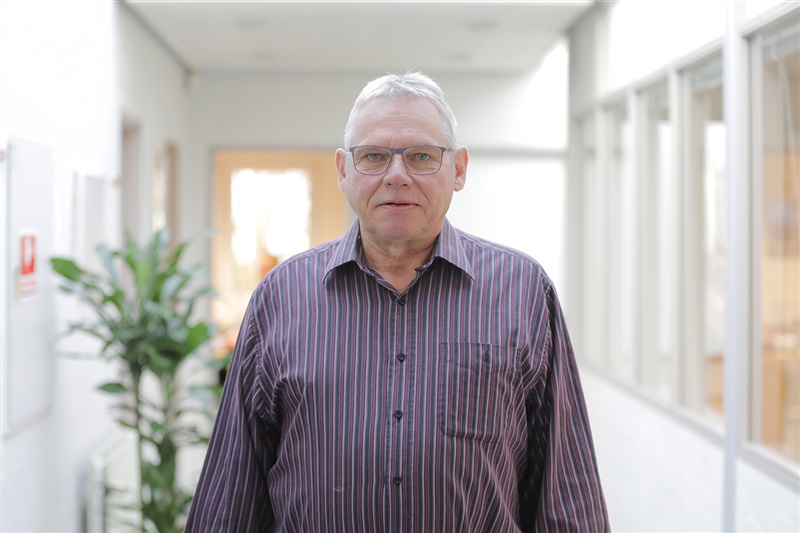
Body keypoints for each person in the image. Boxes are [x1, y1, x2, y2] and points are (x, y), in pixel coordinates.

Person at [185, 72, 609, 532]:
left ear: (459, 169)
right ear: (343, 170)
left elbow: (565, 491)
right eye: (373, 156)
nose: (397, 176)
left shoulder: (523, 292)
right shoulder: (280, 298)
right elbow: (230, 499)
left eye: (422, 156)